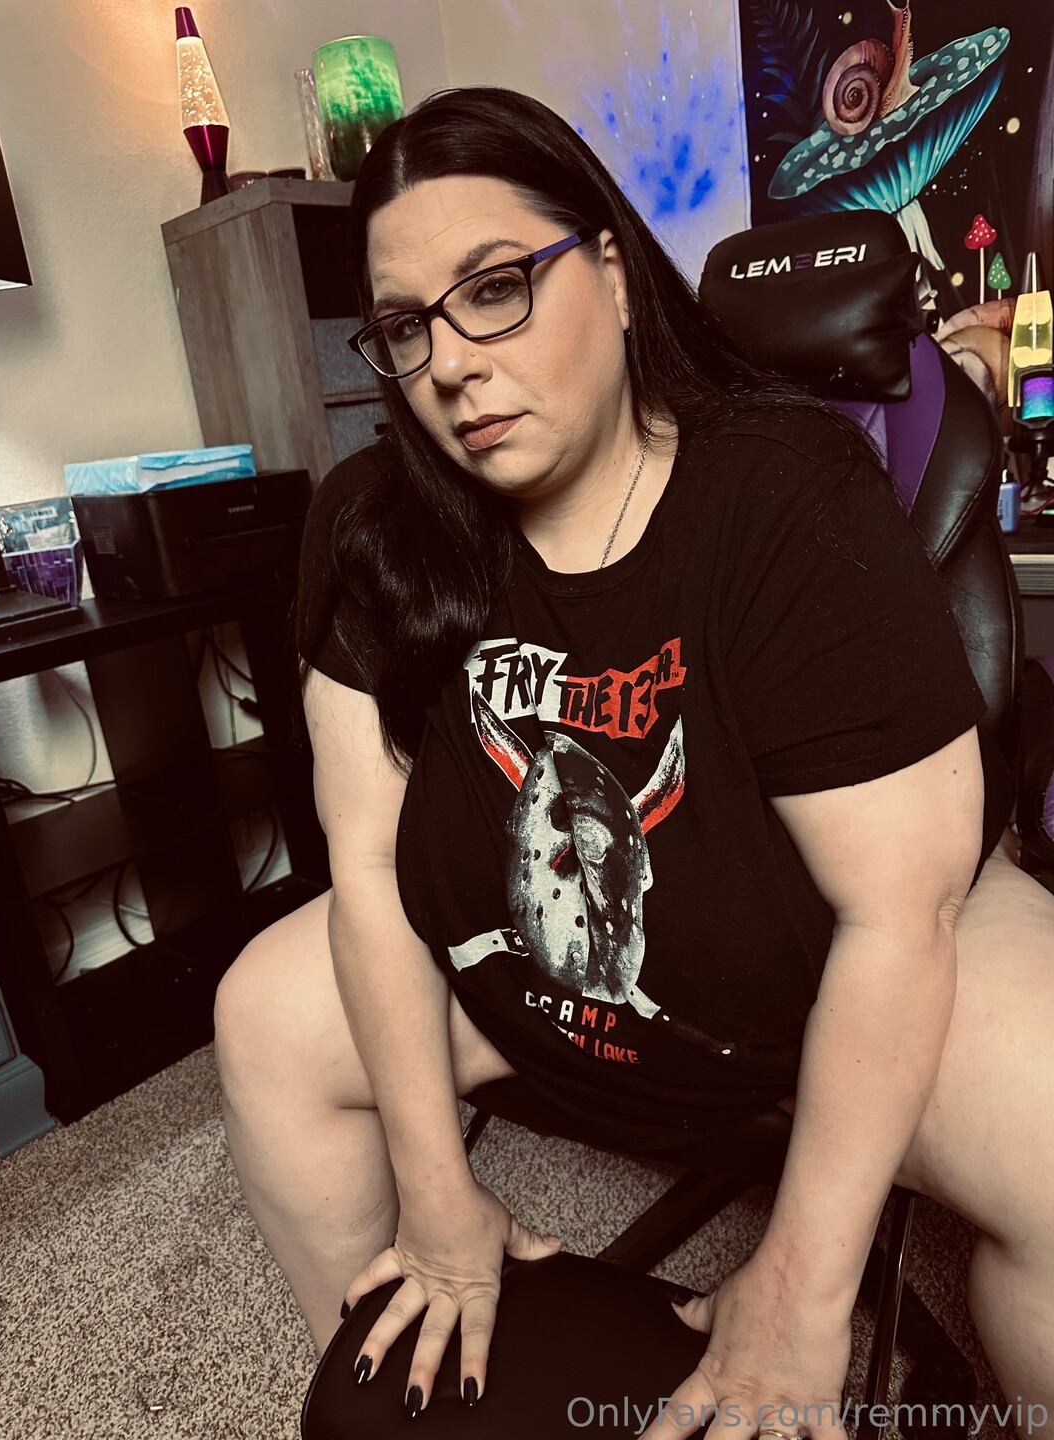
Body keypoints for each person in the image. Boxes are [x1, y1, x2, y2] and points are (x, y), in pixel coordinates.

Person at [213, 87, 1054, 1438]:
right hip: (536, 968)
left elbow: (901, 913)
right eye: (407, 325)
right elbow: (367, 870)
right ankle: (405, 1380)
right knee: (266, 1013)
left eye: (495, 289)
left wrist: (802, 1285)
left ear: (609, 273)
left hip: (835, 973)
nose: (450, 365)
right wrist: (437, 1201)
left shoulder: (779, 489)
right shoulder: (373, 523)